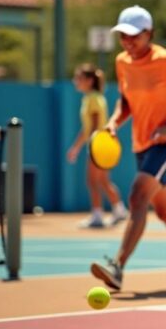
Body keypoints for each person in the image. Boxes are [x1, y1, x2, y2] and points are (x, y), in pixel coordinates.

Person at [90, 5, 166, 290]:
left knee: (138, 196)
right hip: (141, 144)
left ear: (149, 33)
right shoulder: (122, 62)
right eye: (123, 36)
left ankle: (117, 267)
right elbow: (126, 100)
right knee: (164, 212)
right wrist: (115, 122)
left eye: (134, 36)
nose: (128, 42)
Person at [66, 63, 128, 228]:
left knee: (92, 181)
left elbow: (93, 126)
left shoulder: (93, 98)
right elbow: (87, 129)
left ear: (88, 80)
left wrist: (89, 147)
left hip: (98, 145)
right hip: (99, 143)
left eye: (78, 78)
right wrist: (77, 147)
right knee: (102, 181)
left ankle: (97, 215)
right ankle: (119, 209)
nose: (76, 81)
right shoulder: (90, 98)